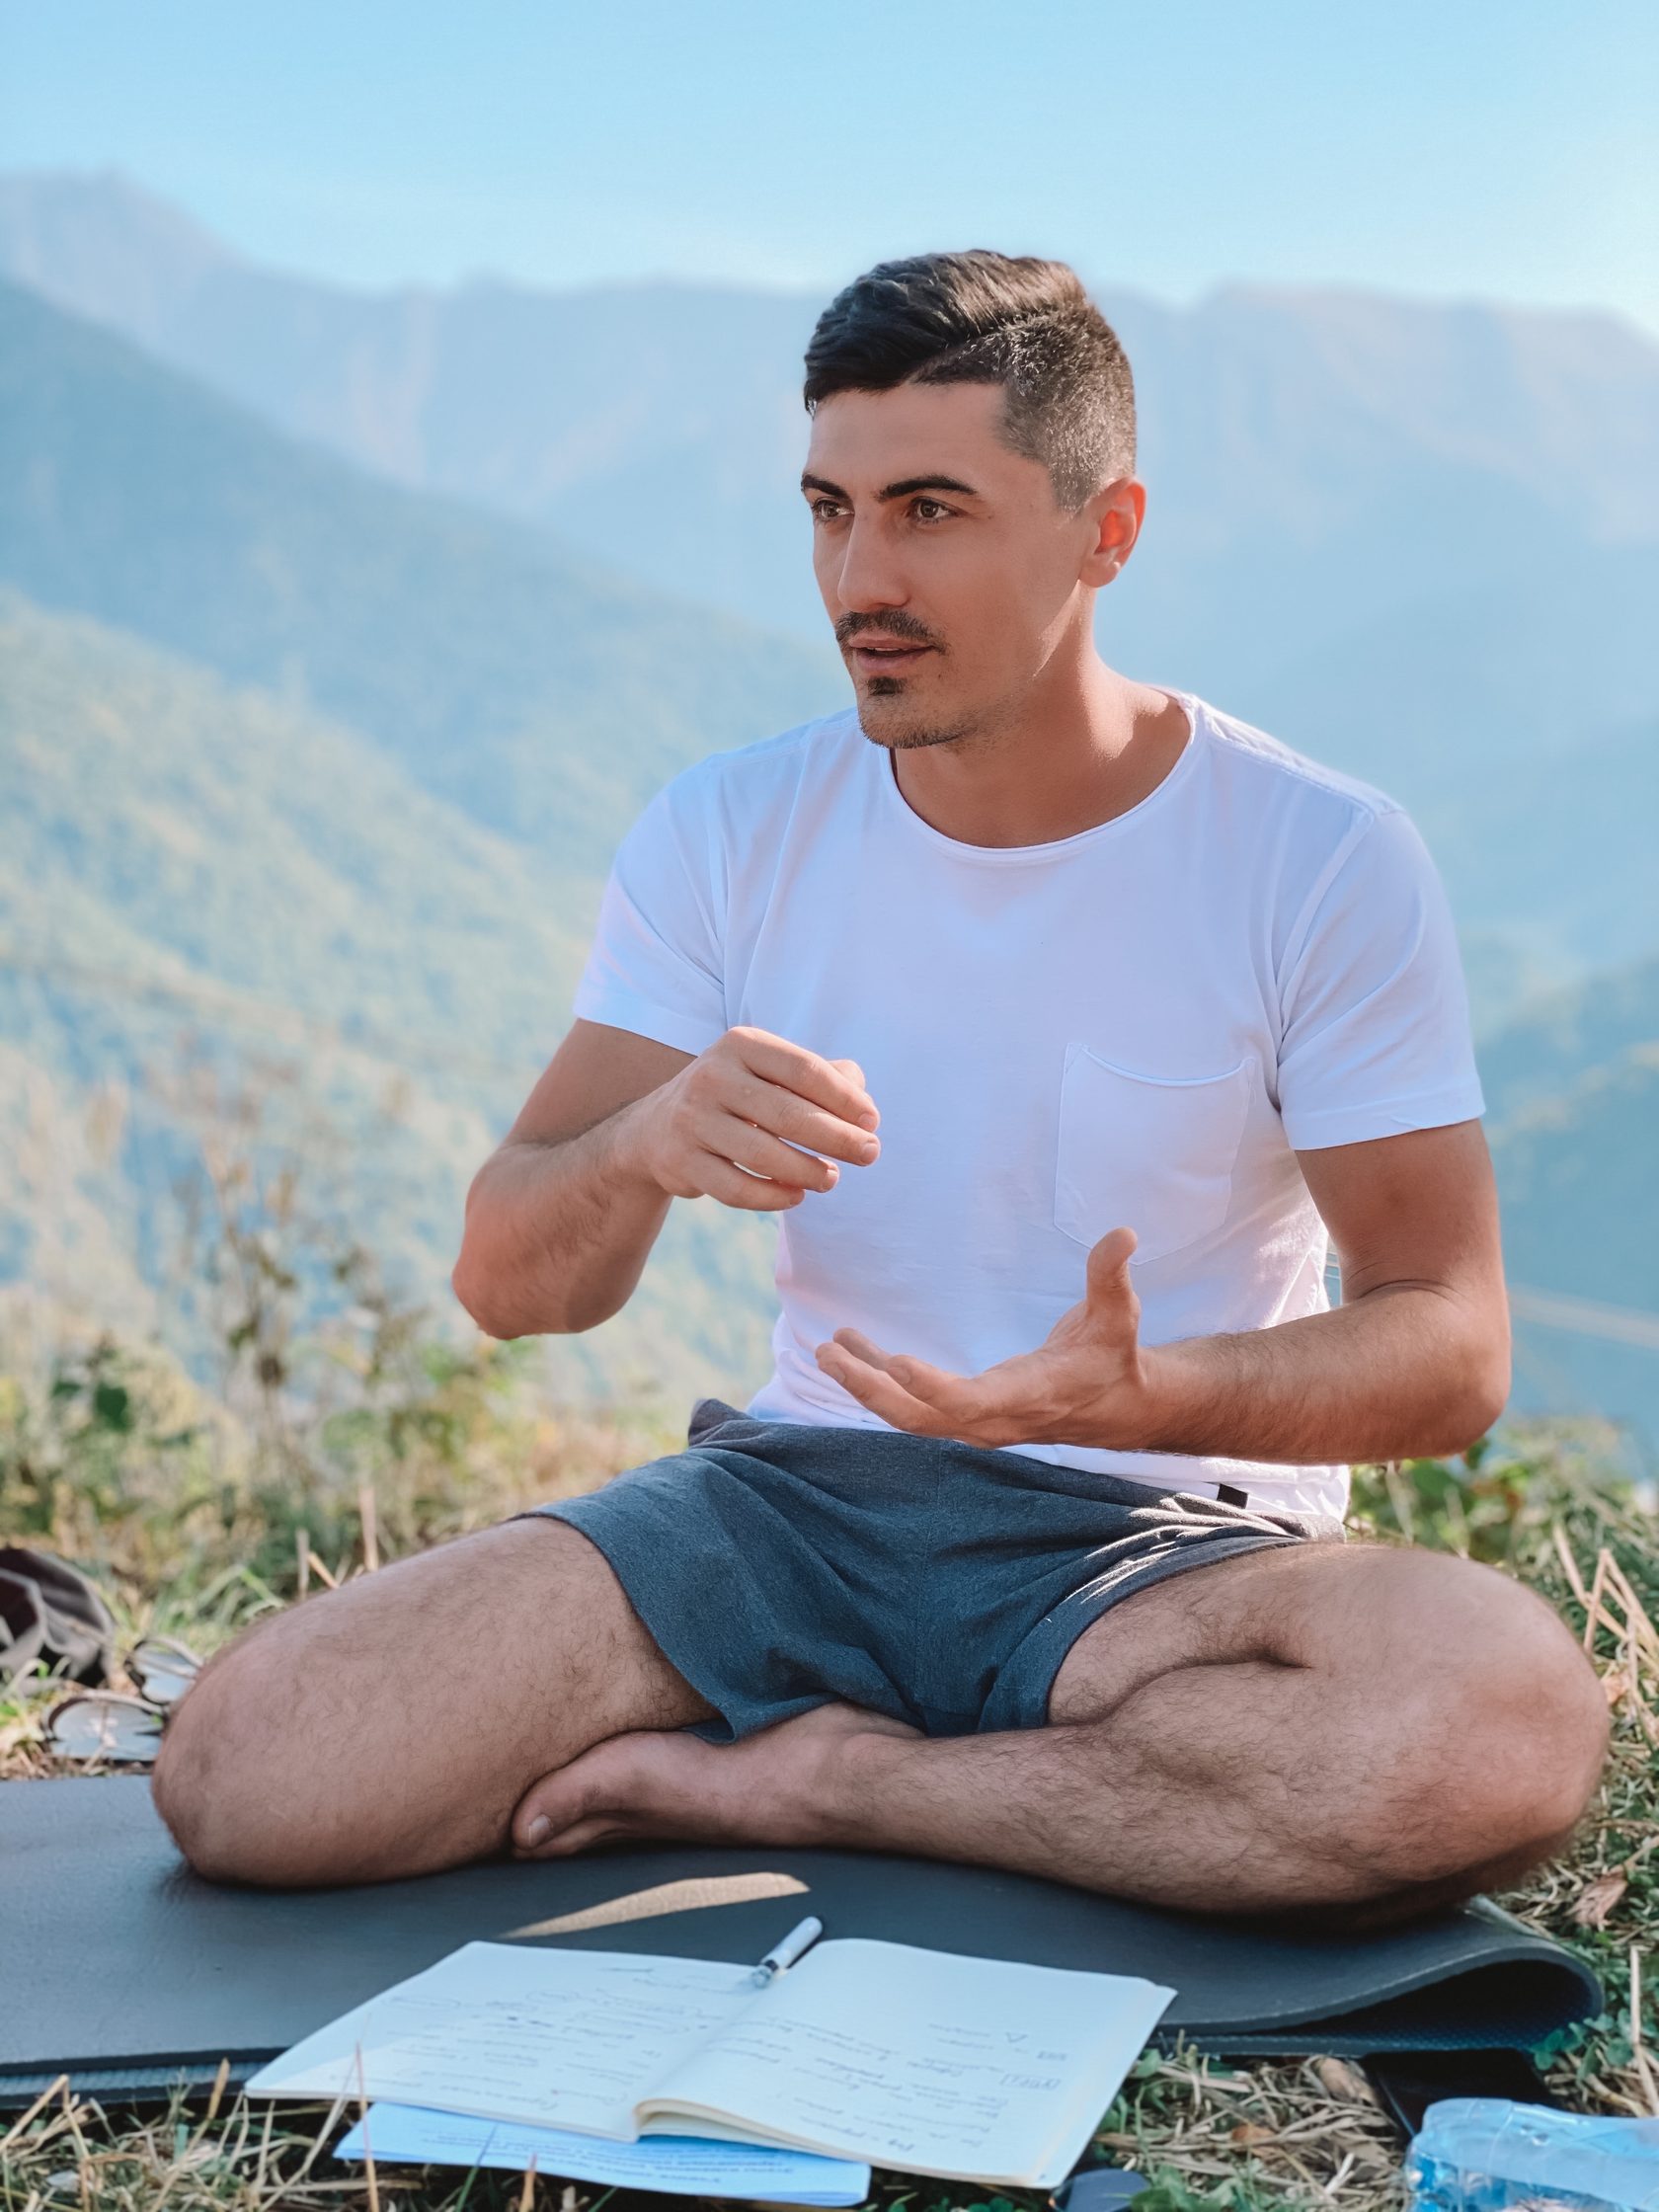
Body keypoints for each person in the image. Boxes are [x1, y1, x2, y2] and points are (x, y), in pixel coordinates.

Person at [154, 251, 1607, 1919]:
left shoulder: (1316, 856)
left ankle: (834, 1785)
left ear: (1107, 531)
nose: (862, 578)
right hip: (791, 1511)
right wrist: (642, 1145)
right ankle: (1010, 1787)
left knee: (1500, 1720)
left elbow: (1452, 1344)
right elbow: (508, 1280)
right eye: (830, 511)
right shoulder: (728, 831)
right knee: (247, 1770)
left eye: (930, 512)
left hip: (1162, 1558)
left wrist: (1144, 1393)